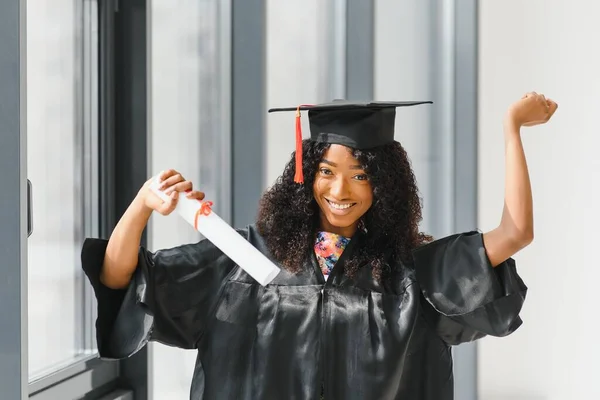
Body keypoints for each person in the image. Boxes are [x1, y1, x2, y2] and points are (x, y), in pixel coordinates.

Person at [82, 93, 557, 400]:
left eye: (360, 175)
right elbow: (119, 278)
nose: (340, 189)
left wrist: (510, 129)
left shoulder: (408, 274)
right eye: (326, 172)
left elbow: (515, 233)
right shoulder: (247, 260)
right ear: (305, 176)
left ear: (384, 186)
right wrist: (143, 205)